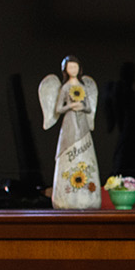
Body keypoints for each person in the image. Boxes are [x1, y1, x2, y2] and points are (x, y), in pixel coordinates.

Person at [38, 56, 99, 209]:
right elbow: (58, 109)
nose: (73, 70)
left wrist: (82, 106)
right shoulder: (65, 88)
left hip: (82, 125)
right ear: (65, 70)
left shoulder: (83, 86)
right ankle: (65, 197)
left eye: (75, 67)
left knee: (84, 153)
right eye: (70, 67)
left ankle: (88, 196)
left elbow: (89, 107)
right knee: (68, 153)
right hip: (69, 124)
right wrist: (71, 106)